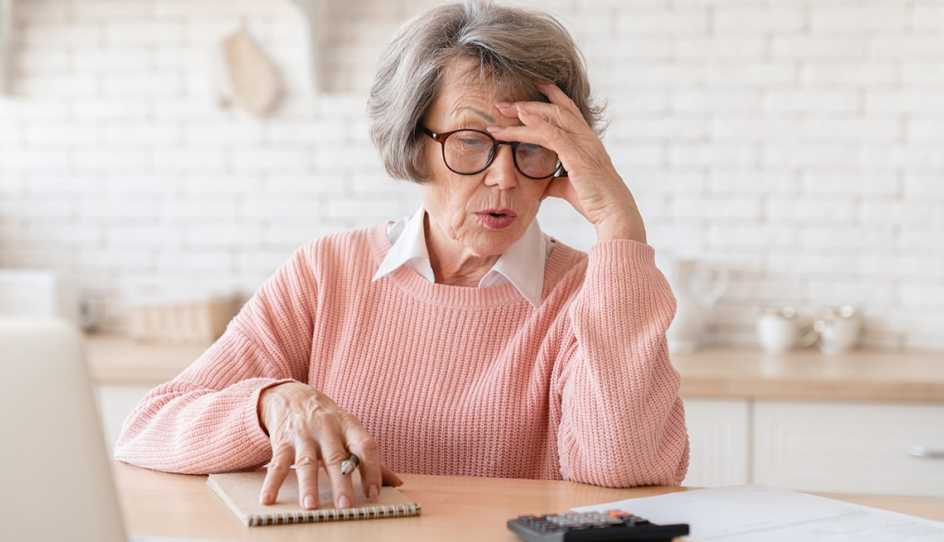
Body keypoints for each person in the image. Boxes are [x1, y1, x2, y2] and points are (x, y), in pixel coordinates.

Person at [115, 0, 689, 513]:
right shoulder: (327, 272)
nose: (505, 177)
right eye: (471, 141)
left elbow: (625, 468)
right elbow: (148, 428)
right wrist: (272, 404)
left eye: (533, 148)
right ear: (416, 142)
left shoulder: (593, 291)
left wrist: (619, 229)